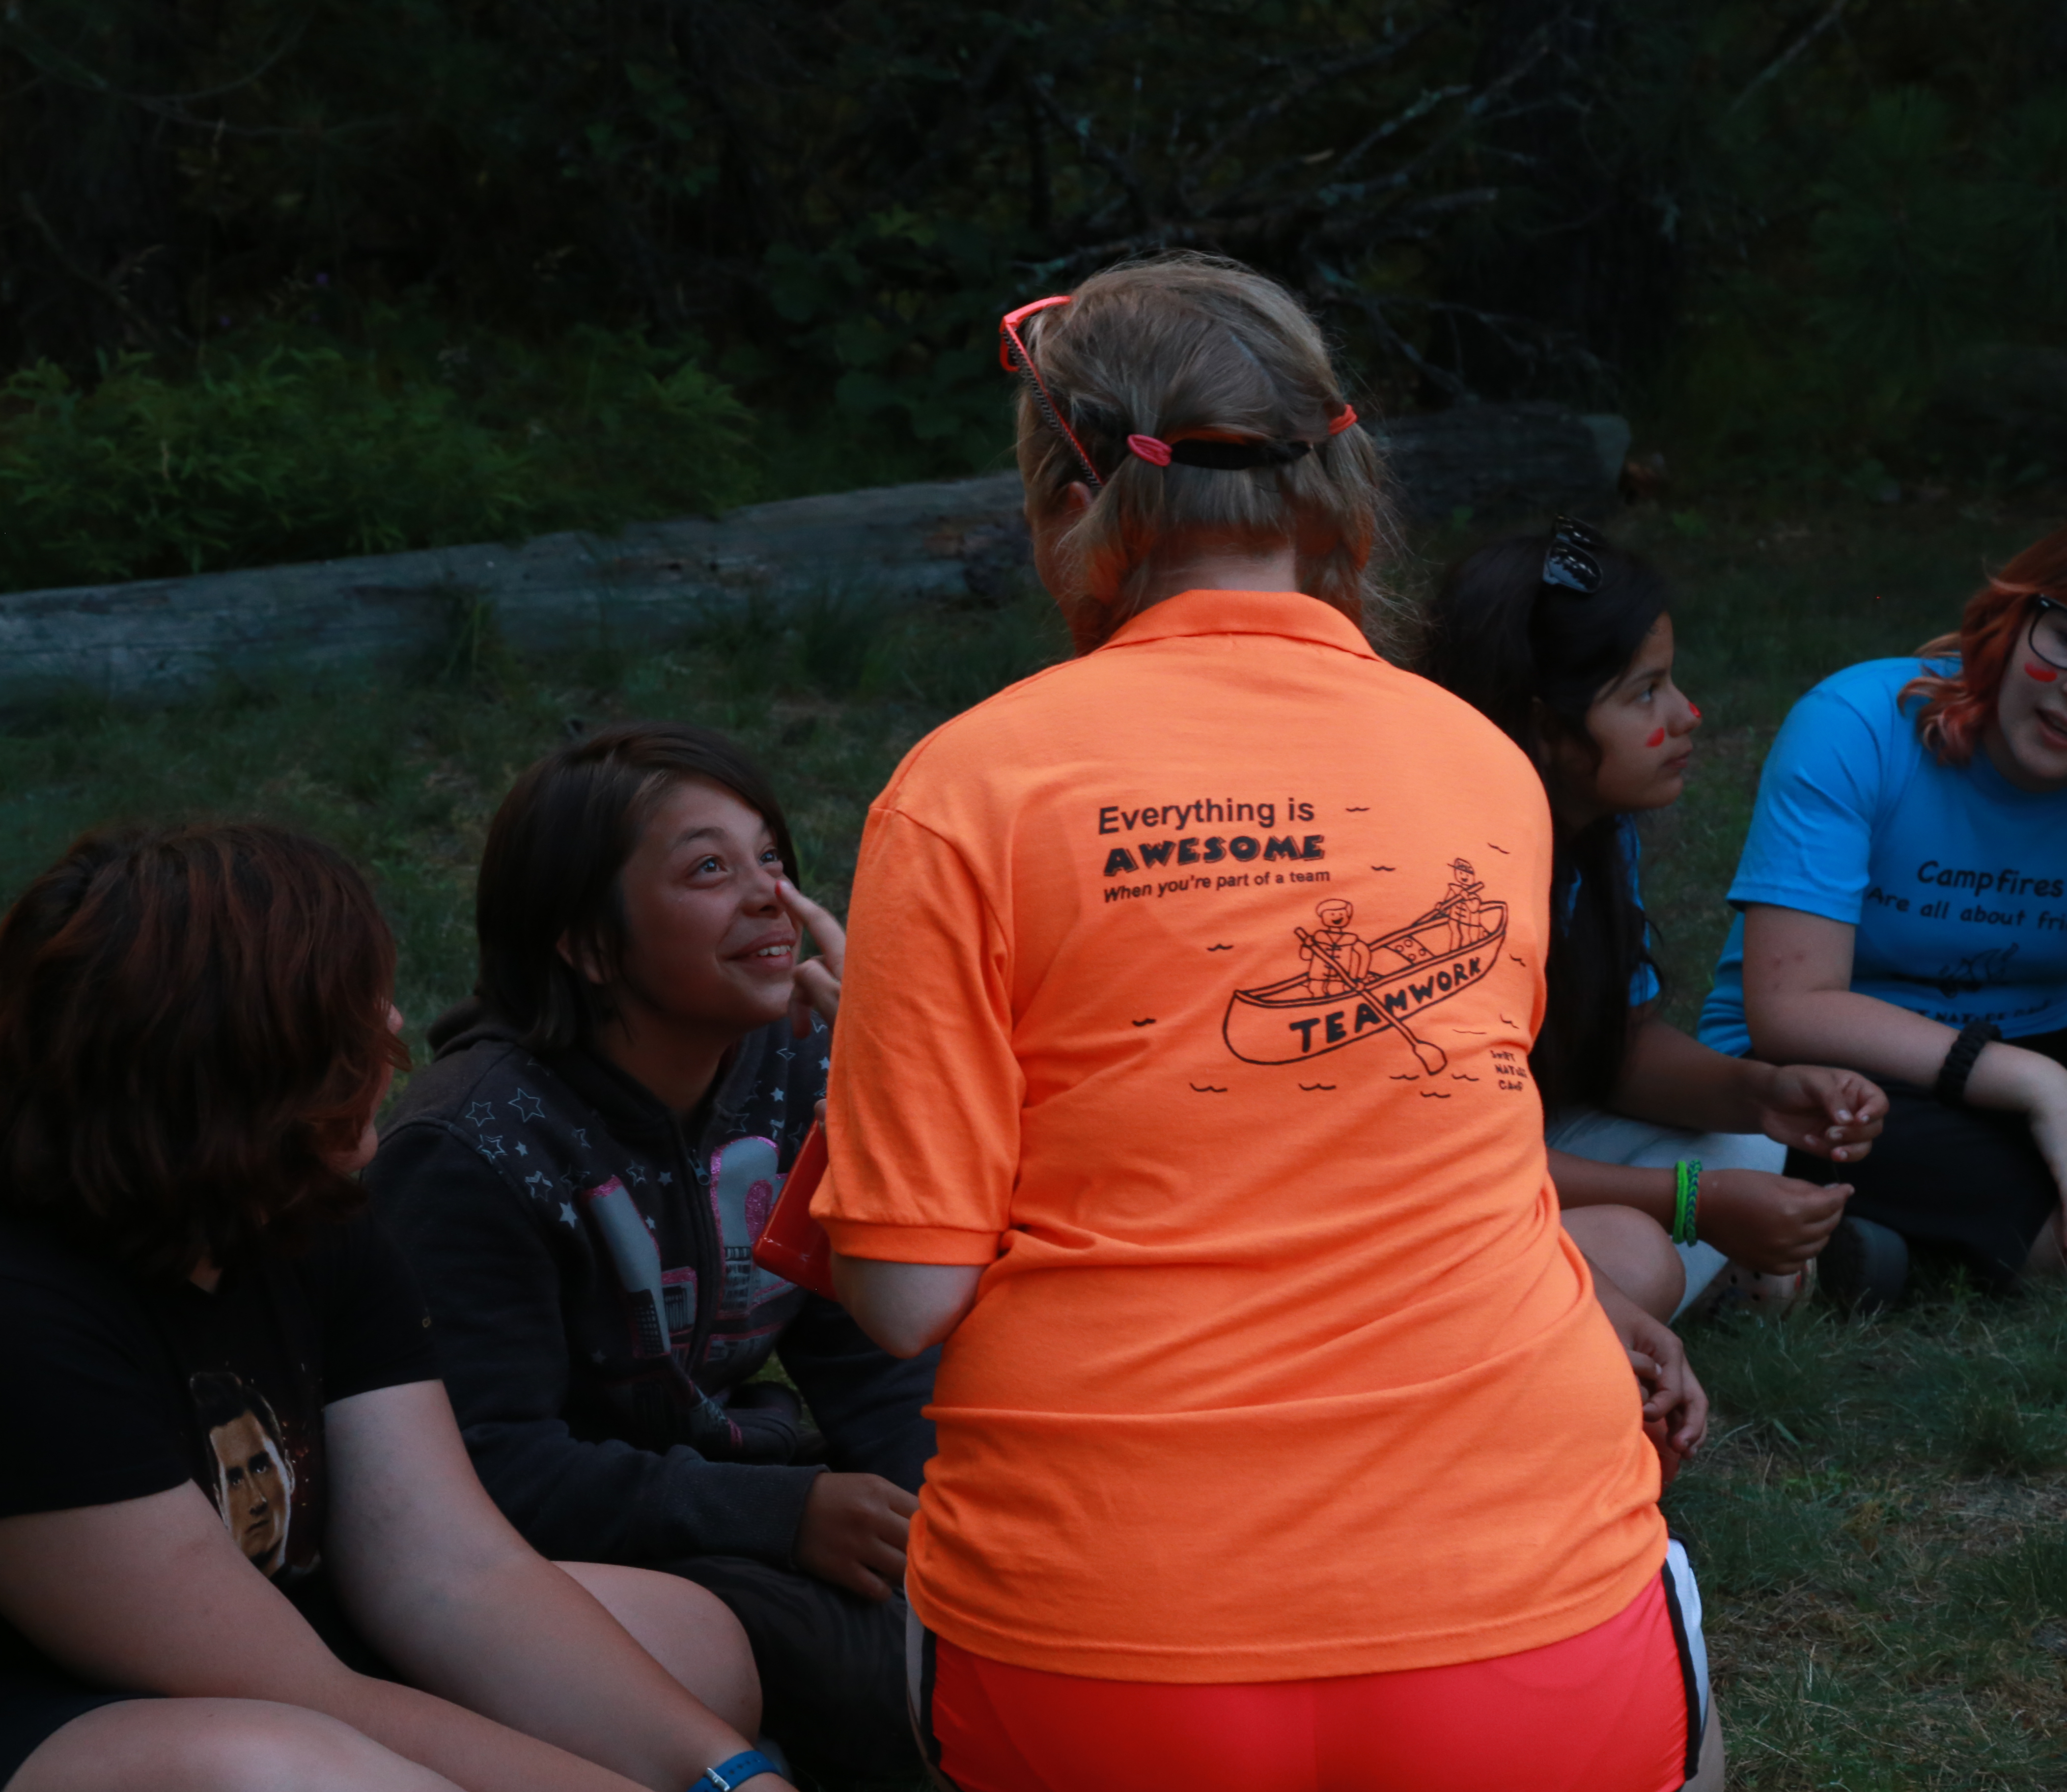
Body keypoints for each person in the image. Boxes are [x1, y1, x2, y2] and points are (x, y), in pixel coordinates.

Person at [811, 255, 1722, 1792]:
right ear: (1332, 481)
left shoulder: (965, 788)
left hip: (1101, 1645)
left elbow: (903, 1300)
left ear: (1067, 495)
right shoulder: (1483, 764)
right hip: (1527, 1618)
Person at [0, 821, 797, 1792]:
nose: (391, 1028)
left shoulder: (307, 1212)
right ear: (236, 1060)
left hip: (171, 1680)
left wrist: (726, 1780)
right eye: (352, 1004)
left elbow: (452, 1571)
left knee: (685, 1646)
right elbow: (298, 1700)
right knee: (288, 1778)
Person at [368, 723, 938, 1784]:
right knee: (873, 1670)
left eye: (771, 857)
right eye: (710, 870)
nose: (770, 896)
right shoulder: (474, 1148)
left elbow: (866, 1353)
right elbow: (485, 1464)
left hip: (741, 1490)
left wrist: (948, 1520)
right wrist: (780, 1516)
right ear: (589, 945)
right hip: (570, 1559)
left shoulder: (797, 1070)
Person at [1418, 522, 1887, 1321]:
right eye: (1645, 693)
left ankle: (1634, 1282)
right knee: (1643, 1255)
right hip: (1433, 1180)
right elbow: (1446, 1154)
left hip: (1525, 1144)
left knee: (1747, 1145)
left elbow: (1618, 1045)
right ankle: (1655, 1288)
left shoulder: (1594, 830)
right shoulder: (1444, 879)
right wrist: (1694, 1202)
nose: (1689, 712)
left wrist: (1758, 1093)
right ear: (1545, 729)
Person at [1700, 524, 2067, 1307]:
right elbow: (1791, 1010)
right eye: (2066, 638)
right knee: (1830, 1123)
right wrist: (2039, 1086)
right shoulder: (1860, 721)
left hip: (2043, 1039)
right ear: (2012, 617)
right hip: (1837, 1067)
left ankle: (1874, 1244)